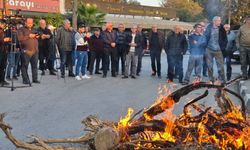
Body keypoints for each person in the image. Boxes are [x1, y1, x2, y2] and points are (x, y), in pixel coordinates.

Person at [204, 16, 227, 84]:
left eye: (220, 20)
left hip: (218, 50)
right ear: (214, 21)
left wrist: (222, 47)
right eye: (218, 20)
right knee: (209, 66)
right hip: (209, 49)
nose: (220, 22)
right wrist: (205, 47)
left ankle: (222, 80)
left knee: (221, 66)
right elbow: (205, 37)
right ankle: (211, 79)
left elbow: (225, 39)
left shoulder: (222, 29)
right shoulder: (209, 28)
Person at [17, 18, 40, 84]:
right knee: (24, 66)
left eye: (31, 23)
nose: (30, 24)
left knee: (35, 65)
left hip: (35, 50)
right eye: (29, 23)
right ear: (25, 23)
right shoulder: (21, 29)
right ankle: (25, 79)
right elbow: (19, 38)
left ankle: (35, 79)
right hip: (25, 50)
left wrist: (38, 35)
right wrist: (29, 36)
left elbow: (39, 33)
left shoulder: (34, 29)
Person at [236, 16, 250, 80]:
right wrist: (238, 46)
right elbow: (237, 37)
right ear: (246, 20)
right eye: (248, 20)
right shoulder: (242, 28)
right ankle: (244, 75)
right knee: (243, 62)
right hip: (243, 47)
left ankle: (249, 74)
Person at [0, 20, 10, 86]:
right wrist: (4, 40)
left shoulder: (3, 31)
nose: (4, 25)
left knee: (3, 66)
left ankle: (2, 80)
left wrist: (7, 40)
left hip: (4, 50)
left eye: (4, 24)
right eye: (3, 24)